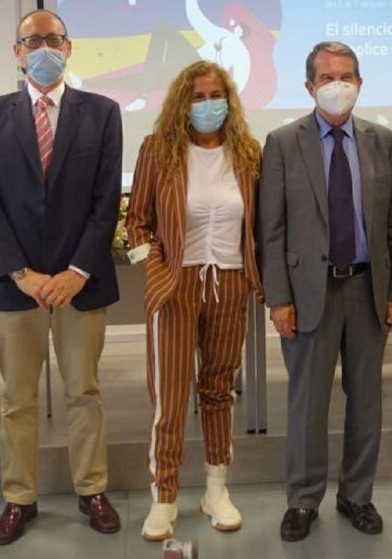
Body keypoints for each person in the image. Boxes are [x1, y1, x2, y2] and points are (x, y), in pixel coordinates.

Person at [0, 9, 124, 544]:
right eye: (32, 40)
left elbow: (107, 201)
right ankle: (19, 498)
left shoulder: (102, 113)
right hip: (17, 286)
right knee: (18, 398)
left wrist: (77, 270)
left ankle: (92, 489)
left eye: (53, 39)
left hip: (82, 283)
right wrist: (23, 273)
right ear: (16, 51)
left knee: (84, 391)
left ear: (69, 47)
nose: (43, 48)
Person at [259, 41, 392, 542]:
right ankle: (303, 499)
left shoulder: (384, 141)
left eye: (346, 76)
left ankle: (357, 495)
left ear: (361, 83)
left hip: (369, 288)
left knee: (367, 399)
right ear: (309, 87)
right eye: (327, 78)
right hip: (308, 292)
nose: (337, 85)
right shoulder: (283, 142)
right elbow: (272, 229)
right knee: (307, 402)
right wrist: (277, 299)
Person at [125, 60, 263, 541]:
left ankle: (216, 489)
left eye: (216, 94)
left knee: (218, 390)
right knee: (169, 398)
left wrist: (253, 278)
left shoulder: (247, 154)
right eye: (198, 96)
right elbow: (136, 222)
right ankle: (164, 496)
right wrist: (157, 273)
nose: (209, 105)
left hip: (230, 284)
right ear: (183, 103)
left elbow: (259, 225)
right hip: (175, 287)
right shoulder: (157, 151)